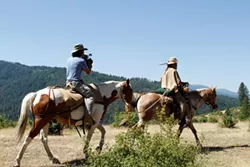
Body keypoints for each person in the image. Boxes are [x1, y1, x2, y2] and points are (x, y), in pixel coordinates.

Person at [66, 44, 95, 126]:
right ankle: (87, 116)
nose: (84, 52)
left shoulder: (69, 60)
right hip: (76, 83)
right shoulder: (81, 61)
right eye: (83, 51)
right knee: (90, 95)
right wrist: (88, 64)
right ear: (81, 52)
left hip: (68, 83)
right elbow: (88, 72)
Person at [160, 57, 191, 126]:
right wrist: (184, 83)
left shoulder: (166, 71)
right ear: (173, 64)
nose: (177, 65)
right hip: (172, 90)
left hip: (164, 88)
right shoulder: (174, 71)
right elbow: (178, 82)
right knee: (183, 103)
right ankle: (181, 120)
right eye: (176, 64)